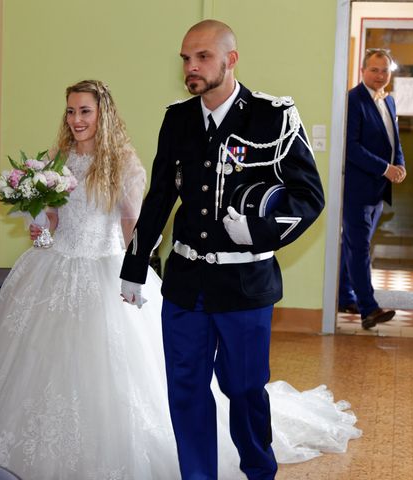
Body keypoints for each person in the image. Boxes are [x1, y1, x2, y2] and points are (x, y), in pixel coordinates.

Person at [0, 78, 359, 480]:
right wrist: (40, 225)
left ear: (103, 114)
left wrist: (138, 274)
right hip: (55, 269)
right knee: (39, 370)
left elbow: (137, 223)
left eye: (85, 111)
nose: (76, 119)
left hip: (104, 266)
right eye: (71, 111)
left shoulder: (123, 163)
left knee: (126, 373)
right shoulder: (55, 159)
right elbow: (53, 224)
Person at [120, 20, 326, 480]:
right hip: (185, 283)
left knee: (246, 389)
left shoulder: (273, 115)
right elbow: (159, 197)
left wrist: (257, 230)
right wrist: (134, 266)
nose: (191, 67)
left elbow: (309, 197)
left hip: (245, 285)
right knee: (186, 389)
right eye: (185, 59)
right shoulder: (178, 118)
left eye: (202, 57)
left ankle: (258, 470)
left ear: (230, 60)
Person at [339, 48, 406, 329]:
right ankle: (369, 309)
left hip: (378, 191)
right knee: (361, 247)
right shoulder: (353, 100)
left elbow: (394, 140)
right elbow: (351, 148)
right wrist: (385, 168)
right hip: (357, 189)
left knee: (354, 246)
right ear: (363, 71)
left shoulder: (388, 101)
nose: (380, 75)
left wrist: (399, 164)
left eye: (385, 70)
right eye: (375, 70)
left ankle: (344, 295)